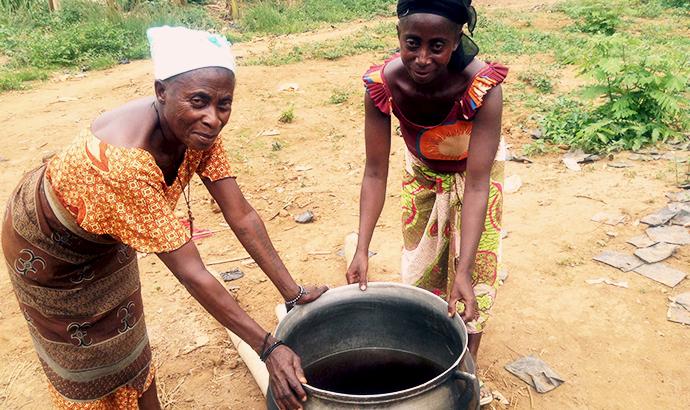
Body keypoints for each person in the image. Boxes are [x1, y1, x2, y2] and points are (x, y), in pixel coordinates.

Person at [1, 26, 325, 410]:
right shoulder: (125, 165)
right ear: (160, 92)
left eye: (224, 104)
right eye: (200, 101)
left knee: (129, 343)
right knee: (88, 369)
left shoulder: (195, 130)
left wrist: (293, 292)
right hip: (47, 252)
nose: (213, 117)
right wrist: (267, 347)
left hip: (107, 235)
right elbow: (192, 272)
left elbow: (241, 215)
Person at [345, 0, 507, 405]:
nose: (422, 57)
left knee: (475, 279)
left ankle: (466, 371)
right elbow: (375, 172)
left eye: (438, 45)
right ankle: (429, 361)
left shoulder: (481, 86)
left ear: (456, 42)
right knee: (420, 268)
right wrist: (362, 247)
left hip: (476, 176)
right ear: (399, 37)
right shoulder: (383, 84)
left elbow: (477, 181)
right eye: (412, 42)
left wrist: (464, 270)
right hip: (421, 171)